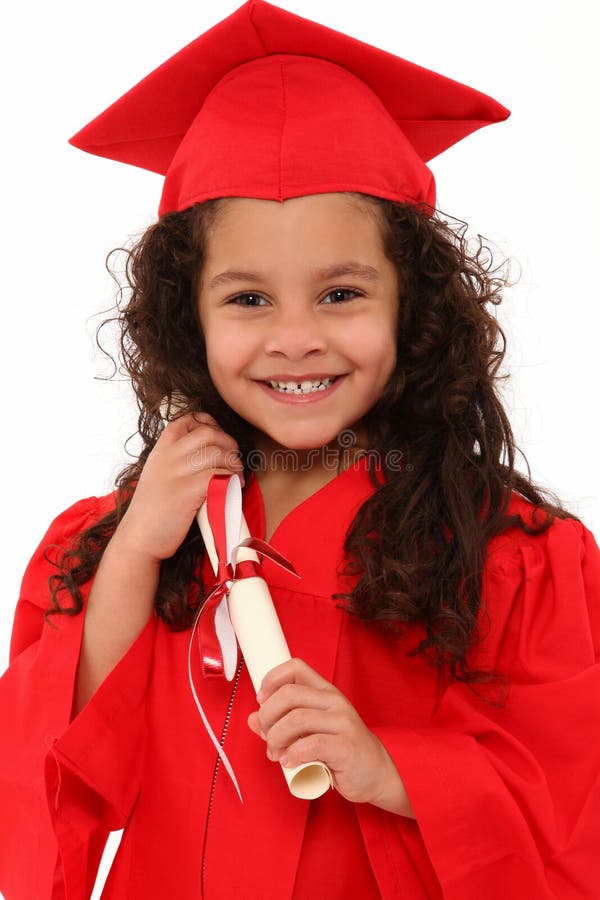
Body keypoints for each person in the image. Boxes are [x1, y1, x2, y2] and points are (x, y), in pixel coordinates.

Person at [1, 1, 599, 898]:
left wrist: (394, 769)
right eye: (246, 300)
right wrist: (135, 552)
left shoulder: (511, 554)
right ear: (186, 317)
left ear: (413, 307)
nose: (294, 339)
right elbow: (54, 768)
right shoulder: (122, 542)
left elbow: (569, 803)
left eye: (341, 294)